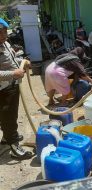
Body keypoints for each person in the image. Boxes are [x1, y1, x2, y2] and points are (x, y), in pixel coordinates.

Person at [0, 18, 32, 159]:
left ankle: (7, 137)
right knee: (8, 116)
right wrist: (14, 73)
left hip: (12, 86)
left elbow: (11, 60)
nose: (3, 35)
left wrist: (22, 62)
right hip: (3, 89)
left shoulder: (5, 44)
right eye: (0, 32)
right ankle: (14, 147)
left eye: (5, 31)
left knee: (11, 114)